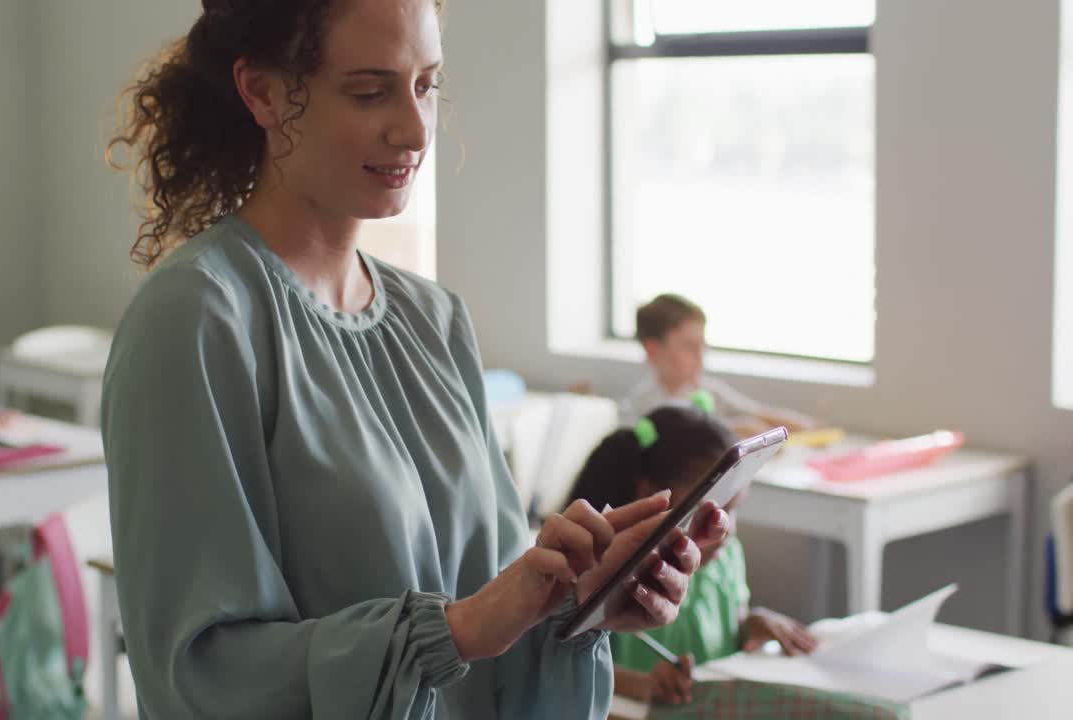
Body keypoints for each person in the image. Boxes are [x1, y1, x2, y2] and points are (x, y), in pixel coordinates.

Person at [100, 1, 730, 717]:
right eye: (369, 92)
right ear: (264, 93)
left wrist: (578, 599)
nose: (414, 128)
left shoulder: (435, 321)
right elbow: (198, 675)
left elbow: (493, 616)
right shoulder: (197, 320)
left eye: (426, 85)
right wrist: (454, 631)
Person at [566, 404, 818, 705]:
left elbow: (729, 628)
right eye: (714, 510)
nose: (727, 529)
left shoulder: (726, 558)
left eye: (734, 510)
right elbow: (574, 664)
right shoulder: (606, 573)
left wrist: (751, 623)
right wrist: (645, 685)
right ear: (653, 497)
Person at [618, 293, 817, 436]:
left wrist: (803, 426)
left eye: (702, 345)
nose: (700, 355)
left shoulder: (710, 390)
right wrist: (731, 429)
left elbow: (754, 411)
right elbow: (679, 442)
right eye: (690, 346)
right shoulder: (643, 406)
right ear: (654, 350)